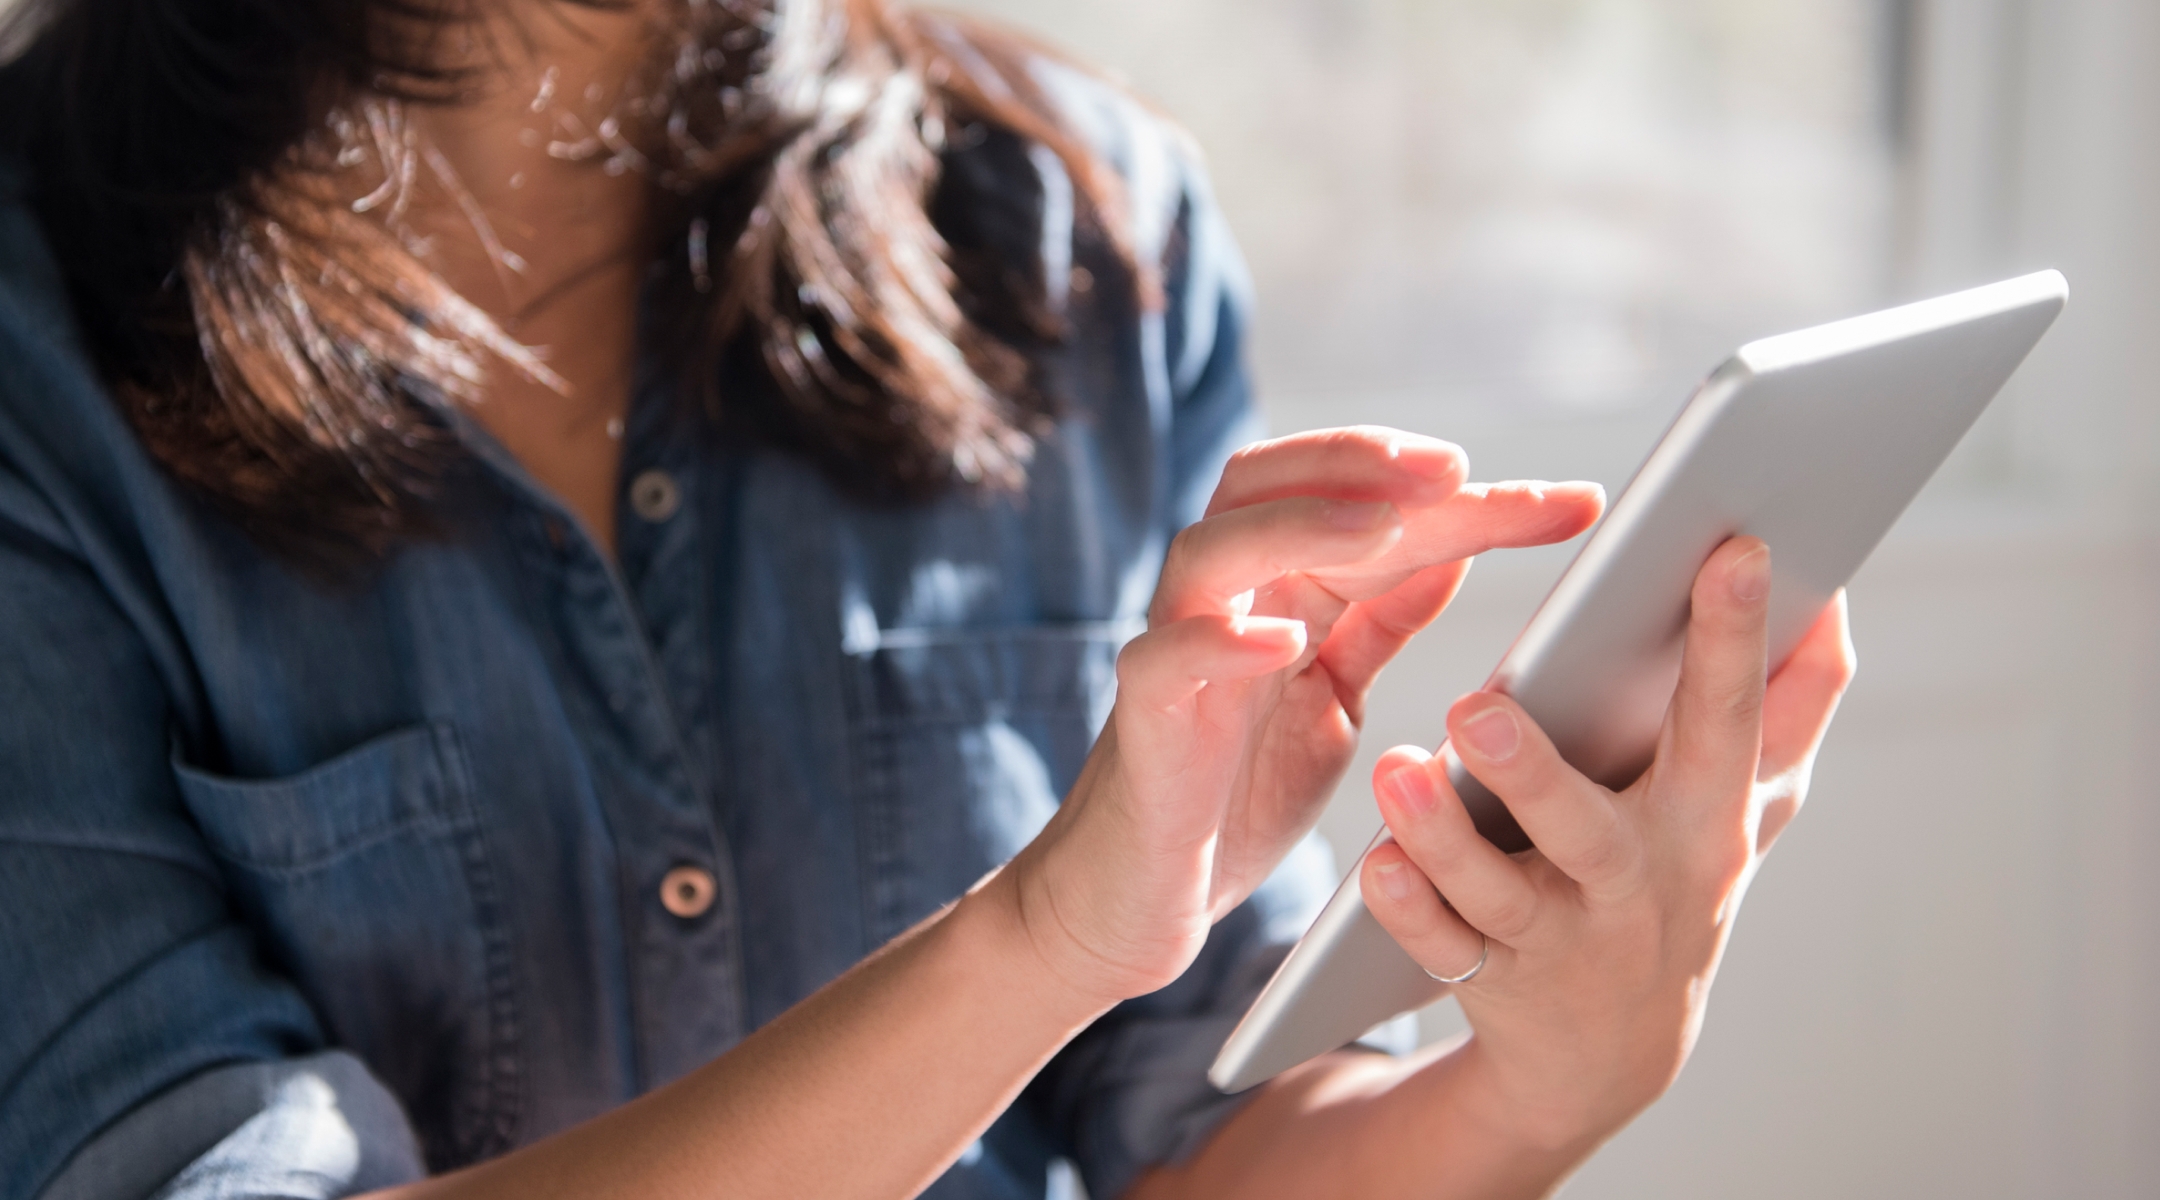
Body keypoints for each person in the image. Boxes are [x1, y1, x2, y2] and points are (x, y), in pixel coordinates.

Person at [0, 1, 1856, 1197]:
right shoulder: (37, 341)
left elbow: (1196, 1131)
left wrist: (1547, 1085)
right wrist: (1044, 934)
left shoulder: (1076, 222)